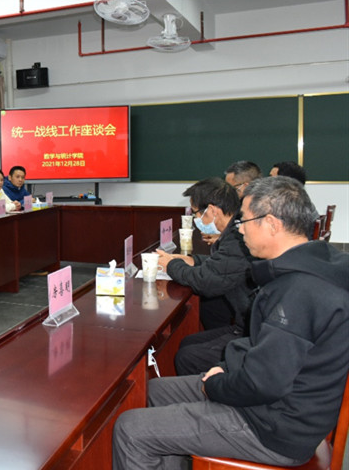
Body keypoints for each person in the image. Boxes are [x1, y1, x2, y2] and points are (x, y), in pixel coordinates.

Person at [113, 176, 349, 470]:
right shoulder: (314, 263)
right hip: (274, 404)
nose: (239, 229)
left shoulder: (299, 291)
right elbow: (267, 353)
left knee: (131, 429)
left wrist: (216, 385)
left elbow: (263, 383)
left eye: (245, 220)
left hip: (273, 427)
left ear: (272, 224)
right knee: (157, 391)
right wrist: (226, 369)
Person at [155, 178, 257, 373]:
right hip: (245, 322)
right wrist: (192, 260)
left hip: (251, 332)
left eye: (196, 213)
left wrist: (171, 265)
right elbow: (222, 265)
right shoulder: (234, 230)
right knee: (188, 343)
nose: (196, 219)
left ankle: (206, 389)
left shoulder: (238, 238)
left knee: (188, 356)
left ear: (212, 210)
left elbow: (205, 282)